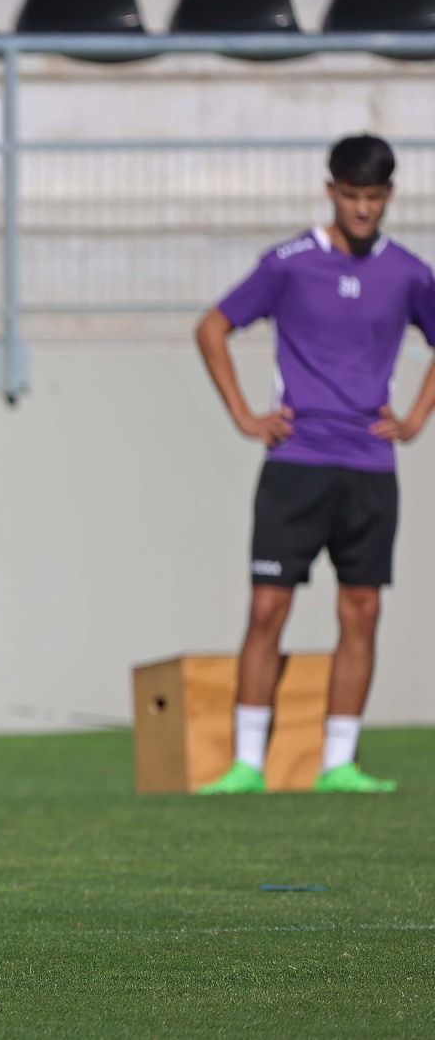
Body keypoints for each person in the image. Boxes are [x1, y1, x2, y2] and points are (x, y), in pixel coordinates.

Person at [196, 134, 435, 795]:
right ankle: (247, 761)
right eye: (352, 195)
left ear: (389, 196)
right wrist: (246, 414)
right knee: (268, 605)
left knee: (361, 610)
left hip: (369, 466)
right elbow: (212, 327)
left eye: (375, 197)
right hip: (296, 462)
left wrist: (415, 418)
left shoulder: (410, 272)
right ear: (331, 190)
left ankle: (340, 762)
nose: (363, 209)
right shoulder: (289, 263)